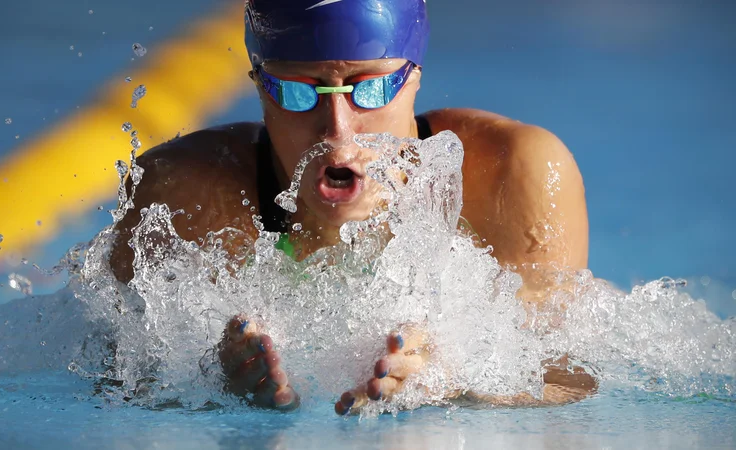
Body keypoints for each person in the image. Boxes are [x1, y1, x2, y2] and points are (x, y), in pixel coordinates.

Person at [109, 0, 594, 414]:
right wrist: (207, 382)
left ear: (414, 77)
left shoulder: (514, 177)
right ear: (261, 86)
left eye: (371, 87)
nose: (338, 131)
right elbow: (109, 380)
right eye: (299, 91)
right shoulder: (180, 194)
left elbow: (570, 384)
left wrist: (454, 379)